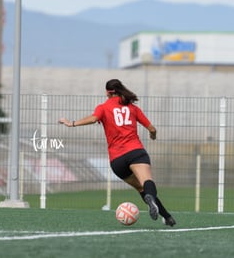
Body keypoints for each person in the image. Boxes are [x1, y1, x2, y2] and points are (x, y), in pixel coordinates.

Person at [59, 79, 176, 226]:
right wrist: (153, 136)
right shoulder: (133, 108)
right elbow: (152, 129)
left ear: (108, 92)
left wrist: (72, 123)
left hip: (117, 160)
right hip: (135, 152)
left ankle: (167, 218)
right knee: (147, 183)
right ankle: (152, 200)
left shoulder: (103, 107)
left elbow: (94, 118)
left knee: (140, 188)